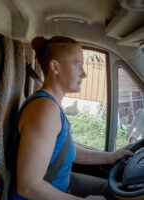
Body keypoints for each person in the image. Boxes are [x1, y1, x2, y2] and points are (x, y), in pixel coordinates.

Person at [8, 35, 133, 200]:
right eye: (78, 65)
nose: (84, 74)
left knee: (116, 193)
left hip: (61, 185)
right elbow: (28, 187)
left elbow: (65, 149)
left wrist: (110, 157)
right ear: (55, 67)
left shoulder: (51, 105)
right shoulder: (44, 110)